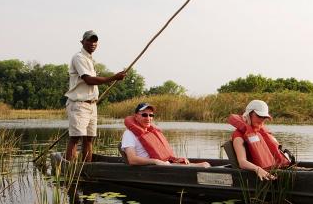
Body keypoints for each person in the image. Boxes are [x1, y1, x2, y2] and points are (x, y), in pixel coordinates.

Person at [65, 30, 126, 162]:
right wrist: (113, 77)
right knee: (75, 138)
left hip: (92, 105)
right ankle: (70, 169)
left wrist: (114, 78)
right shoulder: (79, 57)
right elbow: (89, 80)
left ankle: (88, 167)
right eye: (89, 40)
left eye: (95, 41)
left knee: (89, 139)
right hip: (79, 105)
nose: (92, 43)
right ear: (82, 42)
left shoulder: (89, 59)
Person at [121, 103, 211, 167]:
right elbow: (132, 160)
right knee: (203, 166)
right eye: (144, 115)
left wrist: (176, 159)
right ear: (136, 116)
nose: (148, 118)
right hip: (151, 168)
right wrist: (155, 161)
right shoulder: (129, 134)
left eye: (151, 115)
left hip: (164, 164)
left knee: (206, 164)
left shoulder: (151, 132)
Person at [229, 99, 290, 181]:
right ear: (248, 115)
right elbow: (242, 162)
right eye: (259, 116)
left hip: (274, 169)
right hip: (257, 175)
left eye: (264, 117)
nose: (262, 120)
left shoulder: (260, 133)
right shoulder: (238, 136)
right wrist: (257, 169)